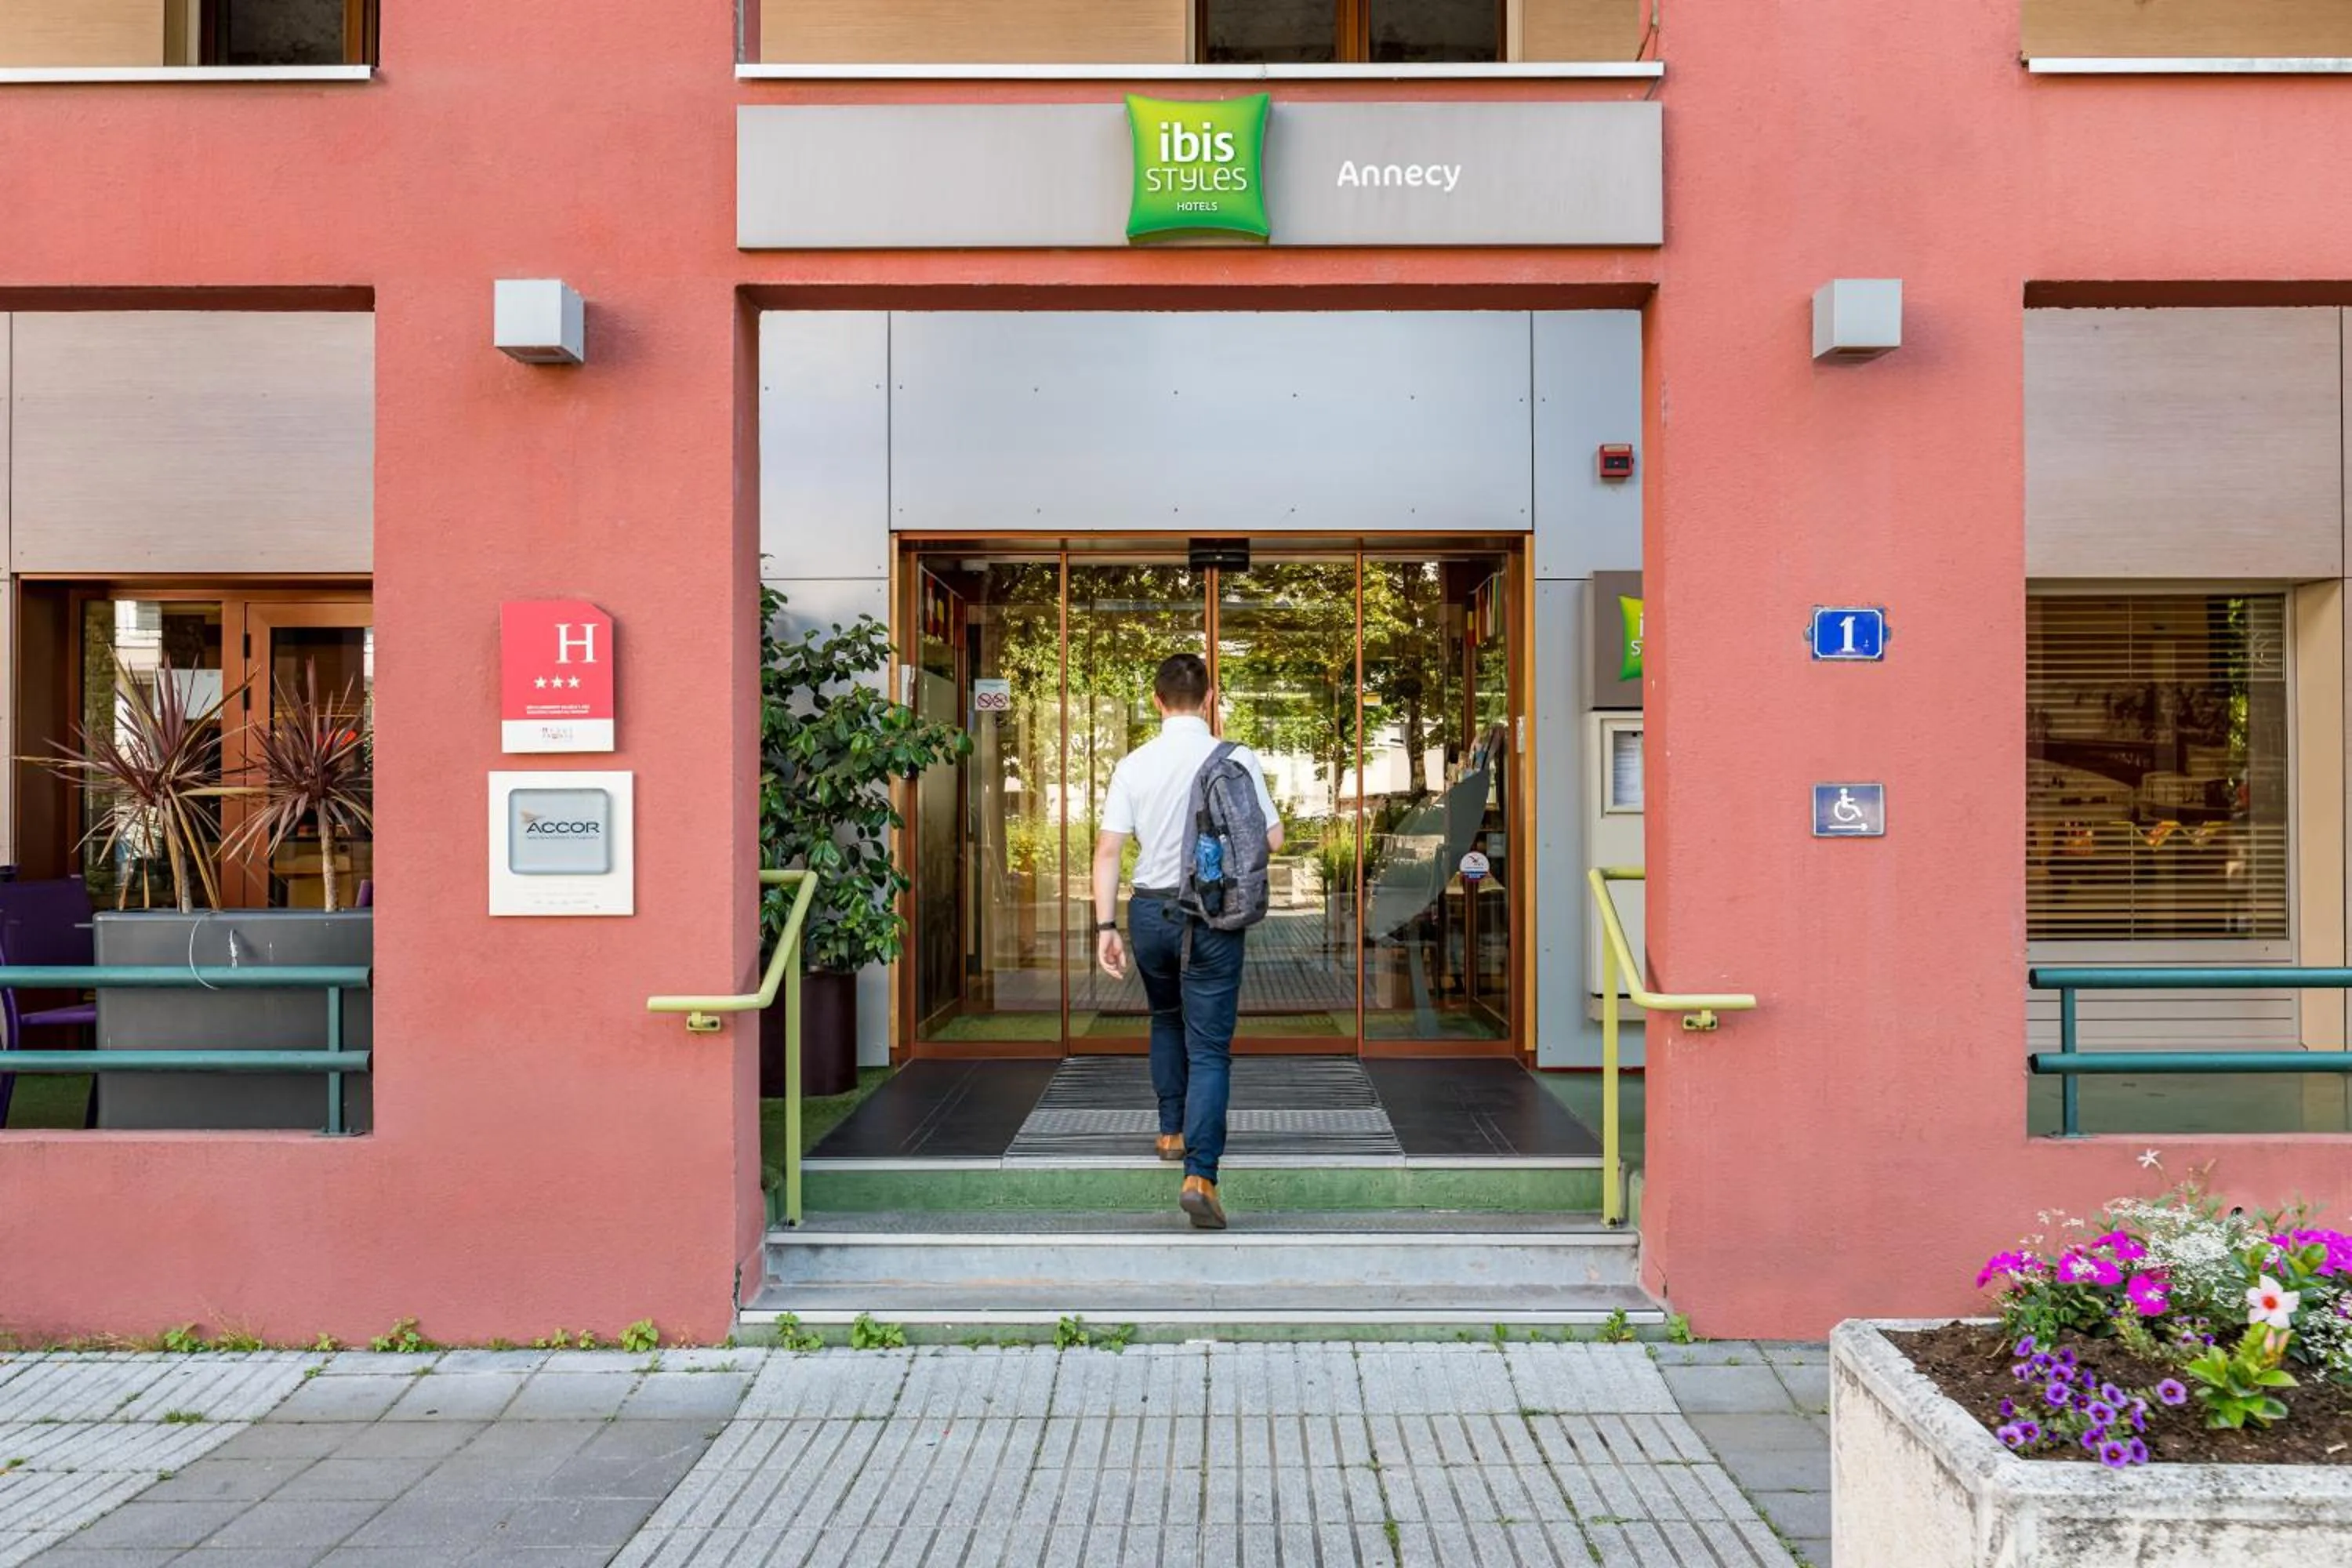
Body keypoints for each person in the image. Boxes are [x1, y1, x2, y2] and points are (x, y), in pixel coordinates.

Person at [1092, 652, 1283, 1229]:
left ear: (1156, 701)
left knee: (1165, 1018)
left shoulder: (1133, 764)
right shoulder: (1236, 758)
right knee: (1210, 1047)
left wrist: (1105, 928)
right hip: (1212, 915)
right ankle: (1200, 1174)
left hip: (1150, 912)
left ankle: (1170, 1131)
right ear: (1209, 698)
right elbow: (1271, 838)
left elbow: (1107, 851)